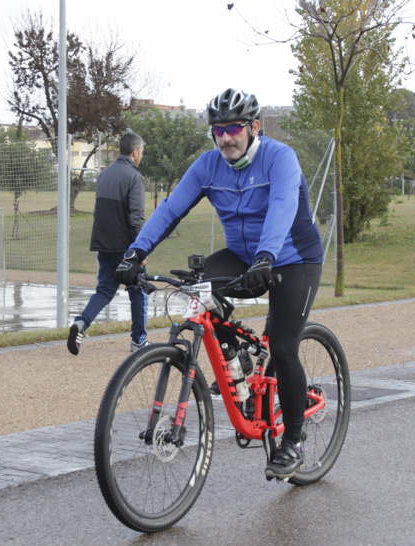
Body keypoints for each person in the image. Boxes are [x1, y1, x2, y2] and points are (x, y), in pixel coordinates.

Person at [115, 88, 323, 480]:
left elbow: (281, 209)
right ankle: (238, 363)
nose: (225, 137)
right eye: (218, 130)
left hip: (294, 258)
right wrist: (134, 253)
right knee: (198, 291)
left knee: (282, 345)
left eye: (233, 128)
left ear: (254, 127)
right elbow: (171, 209)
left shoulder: (280, 158)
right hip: (244, 256)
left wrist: (266, 257)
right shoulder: (209, 165)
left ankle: (293, 440)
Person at [67, 132, 151, 355]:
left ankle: (81, 323)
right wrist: (141, 250)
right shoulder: (134, 177)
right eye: (141, 151)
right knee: (138, 291)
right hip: (127, 248)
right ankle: (139, 341)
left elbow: (98, 211)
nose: (141, 155)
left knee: (104, 291)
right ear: (135, 152)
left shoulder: (104, 175)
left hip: (104, 244)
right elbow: (136, 218)